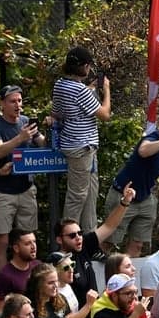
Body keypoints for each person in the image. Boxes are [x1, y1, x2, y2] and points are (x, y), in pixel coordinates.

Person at [106, 108, 159, 257]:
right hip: (123, 195)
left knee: (138, 244)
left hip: (145, 197)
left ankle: (128, 276)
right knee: (110, 240)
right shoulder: (154, 138)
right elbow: (143, 150)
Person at [0, 85, 44, 273]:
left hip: (26, 188)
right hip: (3, 192)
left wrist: (48, 132)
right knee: (2, 240)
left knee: (28, 238)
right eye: (13, 101)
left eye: (19, 100)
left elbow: (41, 143)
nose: (17, 105)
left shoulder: (26, 121)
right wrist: (20, 138)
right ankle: (4, 286)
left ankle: (29, 282)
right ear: (2, 104)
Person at [52, 46, 111, 231]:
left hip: (78, 144)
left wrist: (91, 89)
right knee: (78, 194)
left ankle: (89, 238)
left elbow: (59, 112)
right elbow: (104, 114)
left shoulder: (60, 85)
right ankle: (68, 241)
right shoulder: (81, 91)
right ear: (85, 67)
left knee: (91, 192)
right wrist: (107, 91)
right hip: (81, 146)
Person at [52, 183, 137, 309]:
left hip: (94, 315)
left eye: (80, 233)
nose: (78, 237)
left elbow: (109, 226)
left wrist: (125, 202)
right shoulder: (55, 262)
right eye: (72, 235)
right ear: (59, 239)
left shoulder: (84, 246)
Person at [0, 228, 39, 312]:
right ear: (16, 248)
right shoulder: (4, 276)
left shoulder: (38, 266)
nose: (33, 246)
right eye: (27, 243)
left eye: (34, 242)